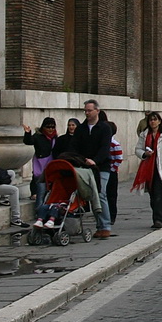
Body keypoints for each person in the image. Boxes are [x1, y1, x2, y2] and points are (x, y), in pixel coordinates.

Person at [73, 99, 114, 238]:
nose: (87, 113)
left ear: (97, 111)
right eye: (85, 110)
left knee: (101, 194)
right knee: (91, 195)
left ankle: (106, 226)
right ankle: (99, 226)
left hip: (101, 167)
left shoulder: (104, 128)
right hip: (84, 167)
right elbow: (75, 147)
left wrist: (95, 161)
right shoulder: (81, 129)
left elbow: (105, 148)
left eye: (89, 110)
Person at [22, 117, 58, 215]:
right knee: (40, 189)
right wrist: (27, 132)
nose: (50, 129)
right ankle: (39, 212)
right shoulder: (38, 136)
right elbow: (28, 141)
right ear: (43, 127)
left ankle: (48, 213)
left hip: (52, 165)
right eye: (48, 127)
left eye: (52, 127)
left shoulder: (55, 138)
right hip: (40, 165)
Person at [105, 120, 123, 224]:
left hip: (111, 172)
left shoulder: (114, 144)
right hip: (106, 171)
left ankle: (112, 215)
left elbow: (119, 158)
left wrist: (112, 169)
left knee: (111, 195)